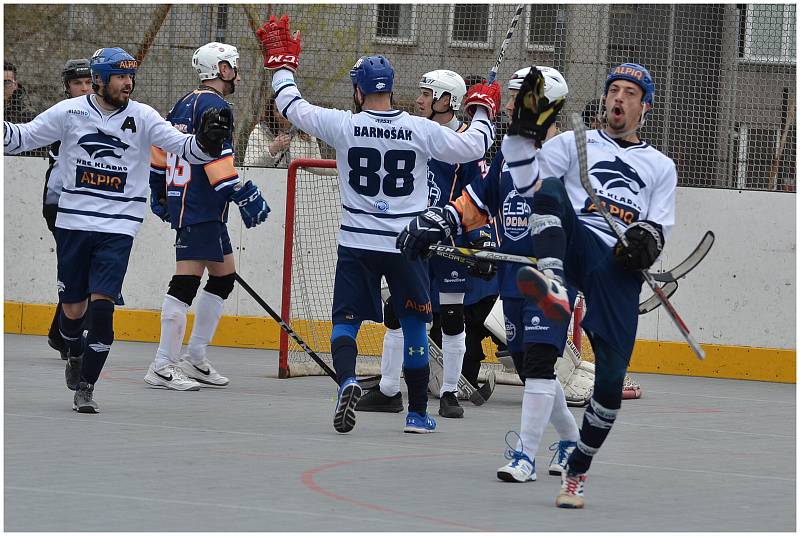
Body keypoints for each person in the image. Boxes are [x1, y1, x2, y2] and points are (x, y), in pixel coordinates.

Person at [257, 14, 500, 434]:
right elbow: (474, 145)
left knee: (345, 322)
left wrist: (282, 64)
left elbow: (290, 106)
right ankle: (417, 413)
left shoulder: (344, 125)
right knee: (414, 325)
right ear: (391, 88)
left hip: (356, 242)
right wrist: (482, 108)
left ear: (358, 90)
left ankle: (348, 381)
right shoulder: (419, 129)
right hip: (408, 243)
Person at [4, 46, 233, 413]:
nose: (128, 82)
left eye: (131, 76)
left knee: (102, 308)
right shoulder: (69, 112)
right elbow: (18, 138)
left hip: (119, 227)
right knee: (72, 312)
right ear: (98, 80)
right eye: (120, 76)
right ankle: (74, 351)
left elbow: (187, 150)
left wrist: (208, 141)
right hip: (74, 223)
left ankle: (87, 388)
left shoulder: (143, 116)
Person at [502, 63, 675, 507]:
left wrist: (645, 241)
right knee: (552, 191)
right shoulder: (576, 142)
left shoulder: (660, 166)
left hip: (618, 268)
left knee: (610, 388)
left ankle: (576, 470)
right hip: (574, 242)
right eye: (613, 90)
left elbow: (660, 225)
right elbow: (526, 184)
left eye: (629, 93)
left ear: (644, 107)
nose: (618, 98)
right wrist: (518, 136)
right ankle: (555, 281)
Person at [397, 65, 581, 483]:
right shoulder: (509, 155)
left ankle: (525, 456)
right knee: (531, 365)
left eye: (520, 97)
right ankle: (571, 441)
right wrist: (436, 222)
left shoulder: (568, 158)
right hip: (513, 280)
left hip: (549, 279)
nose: (511, 105)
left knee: (536, 365)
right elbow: (474, 204)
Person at [356, 69, 491, 419]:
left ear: (448, 101)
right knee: (398, 312)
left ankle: (449, 392)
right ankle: (388, 390)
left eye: (427, 94)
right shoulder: (416, 133)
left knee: (451, 316)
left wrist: (480, 240)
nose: (419, 99)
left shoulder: (465, 145)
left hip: (450, 241)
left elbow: (479, 197)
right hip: (416, 238)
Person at [145, 42, 270, 391]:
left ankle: (195, 357)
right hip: (201, 204)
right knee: (185, 283)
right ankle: (162, 365)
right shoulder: (217, 107)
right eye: (233, 66)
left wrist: (159, 190)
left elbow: (160, 149)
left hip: (191, 202)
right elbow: (217, 159)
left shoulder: (182, 103)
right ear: (221, 70)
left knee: (224, 276)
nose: (237, 73)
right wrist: (237, 191)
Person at [44, 58, 94, 360]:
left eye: (89, 82)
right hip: (60, 203)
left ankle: (60, 334)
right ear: (67, 88)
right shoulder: (64, 115)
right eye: (78, 83)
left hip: (85, 204)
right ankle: (65, 336)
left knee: (83, 269)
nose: (85, 88)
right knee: (79, 270)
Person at [243, 94, 335, 176]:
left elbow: (318, 166)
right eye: (278, 110)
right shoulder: (259, 132)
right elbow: (248, 166)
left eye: (287, 109)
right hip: (268, 185)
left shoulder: (306, 132)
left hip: (299, 187)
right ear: (271, 112)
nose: (282, 114)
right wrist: (272, 150)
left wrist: (341, 168)